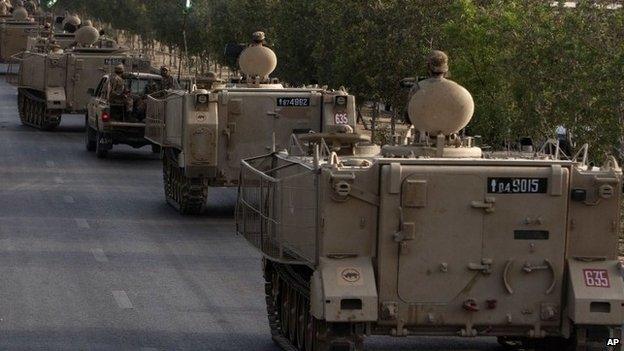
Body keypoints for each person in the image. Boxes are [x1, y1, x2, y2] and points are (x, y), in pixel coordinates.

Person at [406, 50, 449, 125]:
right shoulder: (454, 89)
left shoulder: (418, 87)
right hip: (447, 132)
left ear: (428, 67)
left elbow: (408, 116)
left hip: (424, 132)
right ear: (446, 68)